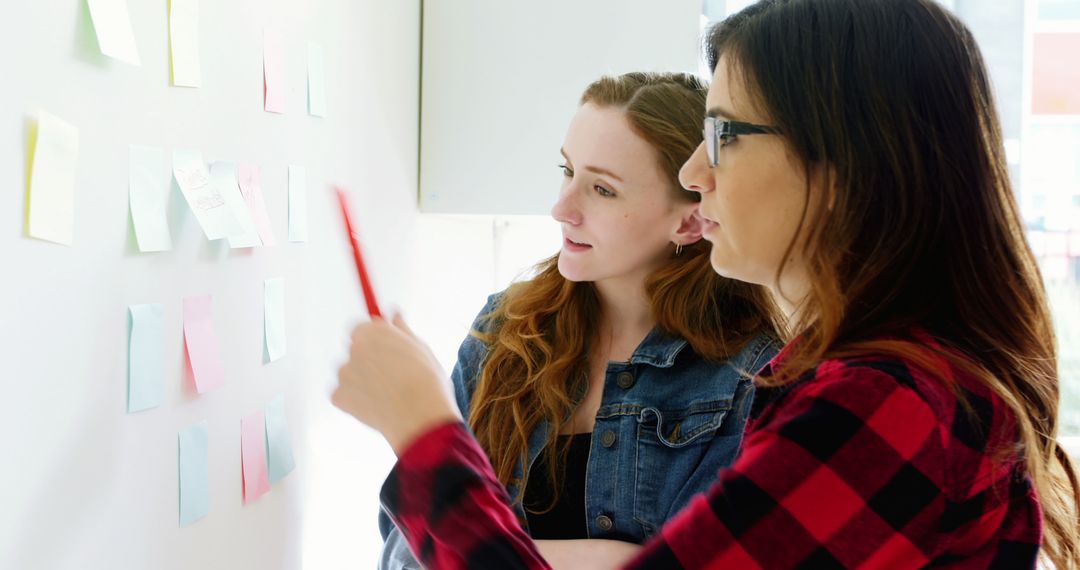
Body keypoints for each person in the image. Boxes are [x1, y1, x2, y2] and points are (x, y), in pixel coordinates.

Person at [335, 0, 1080, 568]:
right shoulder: (872, 387)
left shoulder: (884, 408)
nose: (699, 174)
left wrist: (423, 430)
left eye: (723, 133)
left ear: (843, 164)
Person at [378, 72, 782, 570]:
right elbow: (405, 550)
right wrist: (610, 559)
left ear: (690, 221)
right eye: (567, 171)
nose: (562, 208)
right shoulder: (505, 329)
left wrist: (479, 550)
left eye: (603, 190)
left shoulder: (748, 374)